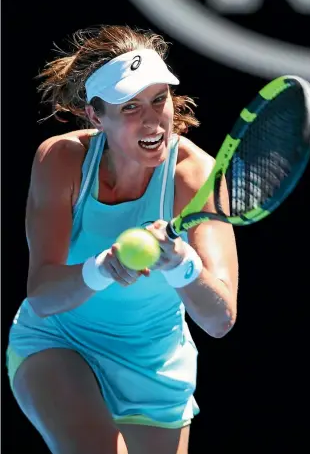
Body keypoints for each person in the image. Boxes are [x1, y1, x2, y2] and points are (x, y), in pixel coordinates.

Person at [6, 25, 239, 454]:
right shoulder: (62, 160)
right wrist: (103, 268)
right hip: (59, 343)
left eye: (158, 99)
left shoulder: (197, 177)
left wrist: (183, 263)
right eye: (130, 107)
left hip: (155, 368)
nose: (152, 120)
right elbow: (42, 295)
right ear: (96, 117)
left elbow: (219, 319)